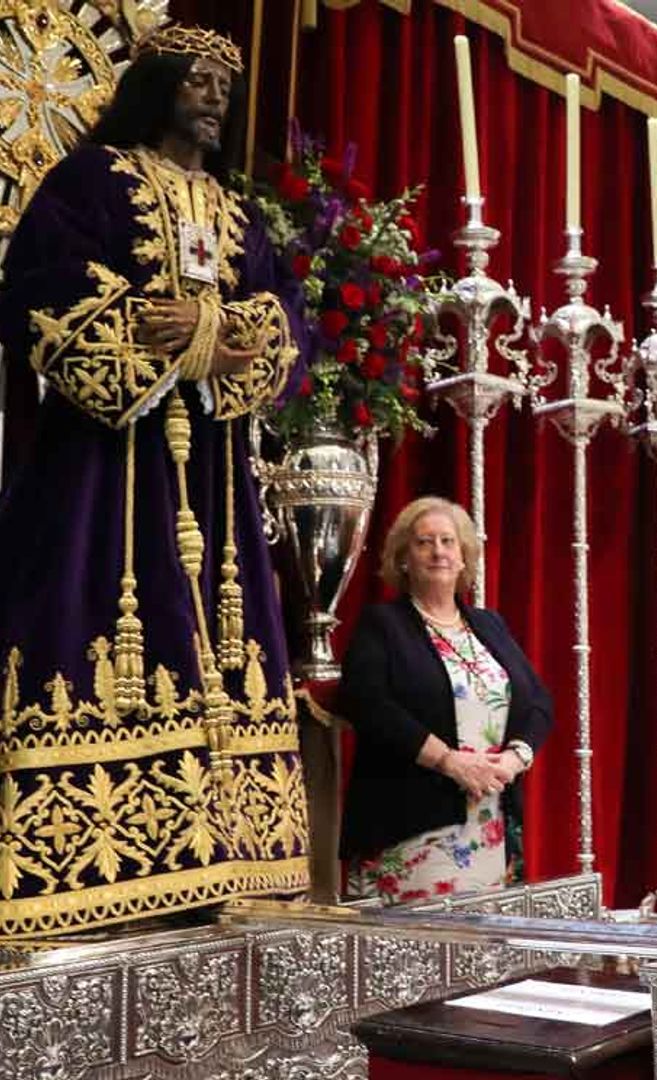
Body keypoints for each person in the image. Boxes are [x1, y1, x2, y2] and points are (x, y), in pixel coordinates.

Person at [0, 24, 310, 938]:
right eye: (197, 82)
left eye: (224, 85)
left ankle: (227, 854)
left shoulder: (235, 210)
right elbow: (33, 287)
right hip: (102, 471)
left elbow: (285, 319)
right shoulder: (92, 180)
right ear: (157, 86)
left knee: (227, 631)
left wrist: (219, 333)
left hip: (213, 477)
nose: (213, 98)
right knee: (78, 612)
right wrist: (144, 328)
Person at [339, 496, 553, 902]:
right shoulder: (382, 624)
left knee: (482, 951)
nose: (438, 551)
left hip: (490, 823)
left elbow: (538, 700)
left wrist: (515, 759)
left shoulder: (489, 624)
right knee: (417, 953)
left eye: (447, 541)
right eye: (424, 543)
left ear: (463, 557)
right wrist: (450, 761)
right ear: (403, 559)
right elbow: (367, 703)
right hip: (410, 824)